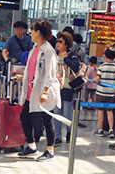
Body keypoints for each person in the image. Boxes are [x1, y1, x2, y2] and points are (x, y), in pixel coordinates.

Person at [16, 21, 60, 161]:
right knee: (24, 116)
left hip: (43, 91)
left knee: (47, 120)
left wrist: (45, 90)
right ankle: (31, 145)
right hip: (32, 90)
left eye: (32, 31)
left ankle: (50, 150)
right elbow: (33, 70)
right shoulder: (34, 49)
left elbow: (50, 74)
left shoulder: (49, 51)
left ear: (39, 32)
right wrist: (23, 77)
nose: (31, 34)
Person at [53, 32, 80, 146]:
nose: (57, 44)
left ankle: (69, 133)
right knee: (56, 113)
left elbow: (75, 67)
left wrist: (66, 59)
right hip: (56, 88)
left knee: (67, 113)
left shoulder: (72, 56)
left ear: (67, 44)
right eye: (57, 41)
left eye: (60, 42)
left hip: (68, 88)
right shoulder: (54, 55)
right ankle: (58, 136)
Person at [93, 48, 115, 137]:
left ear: (105, 55)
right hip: (111, 93)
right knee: (110, 111)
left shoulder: (102, 66)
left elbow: (97, 78)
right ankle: (111, 130)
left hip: (101, 92)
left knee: (100, 111)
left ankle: (100, 129)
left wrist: (93, 80)